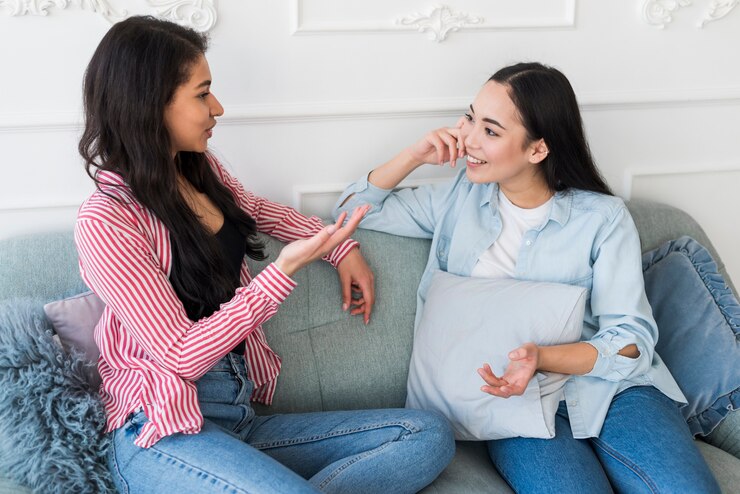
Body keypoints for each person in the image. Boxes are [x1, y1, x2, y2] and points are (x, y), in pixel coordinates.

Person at [74, 16, 454, 494]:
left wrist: (340, 247)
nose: (218, 107)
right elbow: (180, 355)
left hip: (237, 421)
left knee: (426, 434)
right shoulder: (106, 221)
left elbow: (258, 212)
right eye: (202, 93)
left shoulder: (199, 170)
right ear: (151, 104)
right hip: (159, 429)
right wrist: (280, 273)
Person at [333, 62, 721, 492]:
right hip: (512, 405)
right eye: (470, 119)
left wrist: (544, 358)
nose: (469, 141)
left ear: (538, 150)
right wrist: (413, 156)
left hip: (612, 390)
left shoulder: (602, 219)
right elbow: (352, 210)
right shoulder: (457, 201)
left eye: (491, 131)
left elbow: (632, 341)